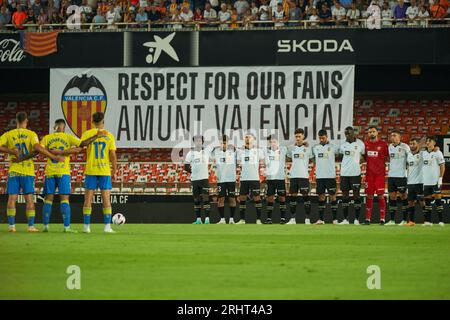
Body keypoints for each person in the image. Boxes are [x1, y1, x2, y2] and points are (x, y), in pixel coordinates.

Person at [31, 119, 105, 232]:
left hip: (50, 172)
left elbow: (39, 149)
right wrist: (95, 136)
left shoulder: (47, 138)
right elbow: (81, 146)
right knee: (64, 199)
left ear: (55, 126)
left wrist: (54, 152)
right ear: (64, 127)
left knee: (48, 199)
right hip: (63, 172)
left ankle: (45, 226)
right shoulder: (68, 137)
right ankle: (66, 227)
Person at [0, 112, 64, 233]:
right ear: (26, 121)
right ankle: (30, 226)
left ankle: (11, 226)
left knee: (12, 198)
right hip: (27, 172)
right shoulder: (31, 134)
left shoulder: (8, 134)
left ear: (16, 121)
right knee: (29, 199)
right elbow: (38, 148)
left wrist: (11, 151)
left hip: (13, 171)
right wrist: (52, 157)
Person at [81, 112, 117, 233]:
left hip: (91, 169)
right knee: (106, 199)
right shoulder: (109, 135)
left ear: (92, 121)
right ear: (103, 121)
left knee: (88, 199)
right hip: (104, 170)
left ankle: (86, 227)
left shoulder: (87, 134)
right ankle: (107, 226)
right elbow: (112, 155)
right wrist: (114, 169)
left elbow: (82, 146)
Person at [338, 127, 365, 225]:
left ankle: (357, 219)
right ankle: (345, 219)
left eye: (349, 133)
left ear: (354, 133)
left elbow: (363, 156)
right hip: (344, 173)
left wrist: (357, 162)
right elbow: (340, 155)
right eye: (346, 134)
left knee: (356, 196)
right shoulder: (342, 144)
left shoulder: (360, 144)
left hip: (355, 173)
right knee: (345, 196)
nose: (347, 135)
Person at [312, 129, 340, 225]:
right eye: (320, 138)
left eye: (323, 138)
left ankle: (335, 219)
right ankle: (320, 219)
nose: (321, 139)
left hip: (330, 176)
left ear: (327, 137)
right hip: (320, 176)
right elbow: (313, 159)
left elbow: (339, 154)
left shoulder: (333, 147)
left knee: (333, 197)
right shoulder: (315, 147)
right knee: (321, 197)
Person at [286, 128, 313, 224]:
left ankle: (308, 219)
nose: (297, 138)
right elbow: (288, 157)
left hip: (304, 176)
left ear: (303, 137)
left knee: (306, 197)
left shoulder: (308, 149)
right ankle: (292, 219)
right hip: (293, 176)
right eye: (296, 136)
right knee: (293, 197)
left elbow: (311, 159)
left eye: (299, 136)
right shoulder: (291, 148)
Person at [237, 133, 265, 224]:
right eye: (245, 137)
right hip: (244, 178)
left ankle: (259, 219)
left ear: (253, 139)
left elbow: (263, 157)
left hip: (254, 178)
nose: (247, 139)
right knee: (242, 198)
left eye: (249, 137)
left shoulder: (258, 151)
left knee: (257, 198)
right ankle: (242, 220)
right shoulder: (240, 151)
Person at [364, 126, 389, 225]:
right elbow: (363, 157)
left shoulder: (383, 144)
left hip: (380, 175)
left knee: (381, 196)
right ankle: (367, 219)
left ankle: (382, 219)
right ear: (368, 134)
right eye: (370, 132)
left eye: (373, 131)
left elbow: (387, 157)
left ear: (377, 133)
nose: (372, 133)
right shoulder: (365, 144)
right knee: (369, 196)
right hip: (369, 175)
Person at [185, 135, 212, 224]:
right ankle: (198, 219)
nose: (198, 142)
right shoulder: (190, 153)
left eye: (200, 140)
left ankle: (207, 219)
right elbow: (186, 166)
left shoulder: (207, 151)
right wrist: (192, 172)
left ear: (202, 142)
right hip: (195, 180)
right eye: (196, 141)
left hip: (204, 179)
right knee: (196, 199)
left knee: (206, 199)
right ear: (194, 142)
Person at [385, 130, 410, 226]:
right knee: (392, 197)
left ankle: (404, 220)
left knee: (404, 196)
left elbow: (411, 157)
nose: (392, 137)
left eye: (395, 135)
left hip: (401, 176)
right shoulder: (390, 147)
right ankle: (391, 220)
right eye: (391, 136)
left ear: (400, 137)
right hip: (391, 176)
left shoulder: (405, 147)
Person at [211, 135, 237, 224]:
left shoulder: (233, 151)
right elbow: (206, 153)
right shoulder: (215, 151)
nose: (223, 144)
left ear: (228, 143)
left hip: (231, 179)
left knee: (232, 199)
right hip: (221, 180)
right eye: (221, 143)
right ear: (219, 143)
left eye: (225, 143)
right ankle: (222, 219)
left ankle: (232, 219)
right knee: (221, 199)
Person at [263, 135, 288, 224]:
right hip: (270, 179)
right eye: (271, 142)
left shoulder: (283, 149)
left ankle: (283, 218)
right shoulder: (265, 151)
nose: (273, 143)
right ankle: (269, 219)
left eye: (274, 142)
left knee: (282, 198)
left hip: (280, 178)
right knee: (270, 198)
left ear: (277, 142)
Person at [422, 136, 445, 226]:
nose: (428, 142)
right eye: (427, 141)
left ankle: (441, 221)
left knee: (438, 201)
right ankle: (428, 221)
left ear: (434, 143)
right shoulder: (423, 153)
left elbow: (442, 166)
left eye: (430, 141)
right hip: (426, 182)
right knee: (427, 202)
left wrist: (440, 178)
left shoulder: (438, 153)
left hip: (435, 181)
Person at [404, 137, 424, 226]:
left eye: (414, 144)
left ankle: (427, 220)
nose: (412, 146)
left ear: (418, 144)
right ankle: (411, 221)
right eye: (410, 144)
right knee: (410, 202)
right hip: (410, 182)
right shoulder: (408, 155)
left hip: (420, 182)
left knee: (422, 201)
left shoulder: (423, 154)